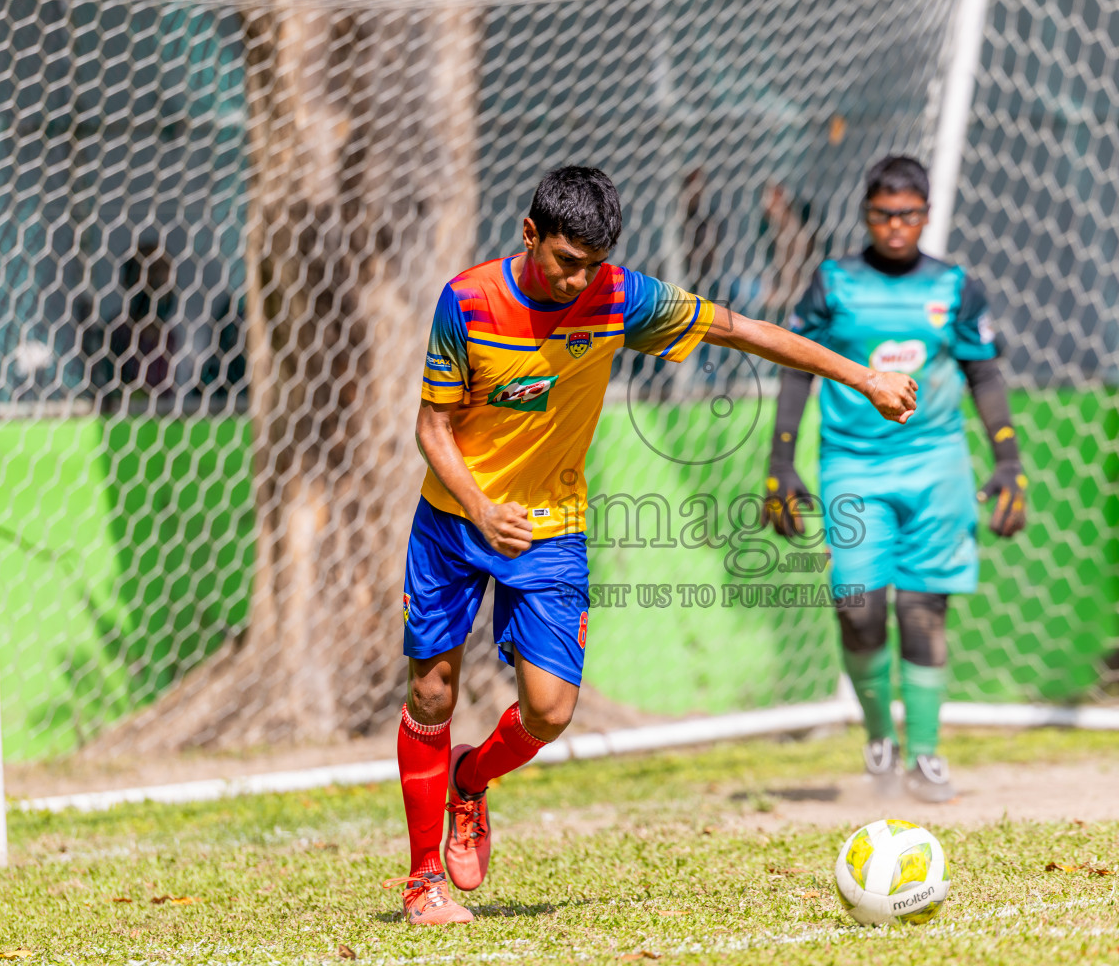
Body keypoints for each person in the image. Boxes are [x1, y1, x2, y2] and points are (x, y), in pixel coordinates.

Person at [386, 165, 919, 925]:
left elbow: (741, 330)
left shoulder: (619, 296)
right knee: (432, 693)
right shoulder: (467, 301)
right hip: (452, 521)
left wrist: (861, 378)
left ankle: (469, 781)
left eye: (593, 264)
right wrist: (478, 507)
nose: (578, 280)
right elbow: (431, 427)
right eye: (566, 261)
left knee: (549, 712)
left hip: (551, 526)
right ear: (530, 234)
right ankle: (422, 881)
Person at [760, 154, 1027, 803]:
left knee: (923, 609)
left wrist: (1008, 459)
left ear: (926, 215)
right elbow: (796, 367)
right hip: (852, 464)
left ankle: (926, 755)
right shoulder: (834, 283)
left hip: (936, 465)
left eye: (908, 214)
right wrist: (781, 461)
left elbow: (983, 372)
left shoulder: (955, 287)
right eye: (883, 214)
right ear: (866, 215)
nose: (896, 226)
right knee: (858, 606)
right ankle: (881, 739)